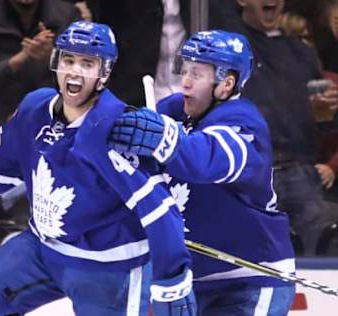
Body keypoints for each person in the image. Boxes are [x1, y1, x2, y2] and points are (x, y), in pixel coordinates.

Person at [0, 21, 196, 316]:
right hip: (42, 250)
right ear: (56, 61)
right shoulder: (35, 110)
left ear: (104, 74)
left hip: (111, 269)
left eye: (88, 64)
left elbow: (158, 211)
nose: (75, 71)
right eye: (69, 60)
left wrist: (171, 278)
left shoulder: (116, 131)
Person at [109, 30, 296, 315]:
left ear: (225, 84)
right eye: (184, 70)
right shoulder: (174, 109)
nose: (184, 82)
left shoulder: (244, 123)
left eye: (196, 74)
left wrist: (161, 139)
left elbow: (205, 159)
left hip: (250, 279)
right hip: (192, 282)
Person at [227, 0, 338, 256]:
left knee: (317, 256)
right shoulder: (232, 50)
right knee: (254, 258)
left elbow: (322, 122)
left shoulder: (303, 53)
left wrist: (328, 110)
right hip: (252, 174)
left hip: (302, 174)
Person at [0, 0, 81, 135]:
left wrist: (53, 58)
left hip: (58, 131)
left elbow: (91, 81)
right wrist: (18, 60)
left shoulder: (68, 15)